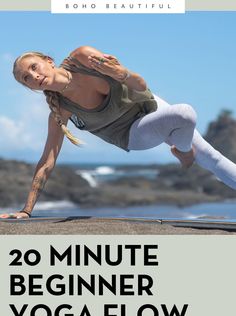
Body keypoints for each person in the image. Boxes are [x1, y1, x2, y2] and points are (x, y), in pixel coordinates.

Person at [1, 45, 236, 219]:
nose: (34, 76)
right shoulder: (60, 111)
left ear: (48, 60)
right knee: (184, 114)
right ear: (29, 87)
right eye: (26, 79)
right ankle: (184, 152)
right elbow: (47, 161)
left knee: (213, 158)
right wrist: (26, 211)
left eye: (34, 67)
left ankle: (184, 151)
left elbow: (141, 85)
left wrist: (121, 72)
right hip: (133, 133)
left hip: (150, 104)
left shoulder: (83, 57)